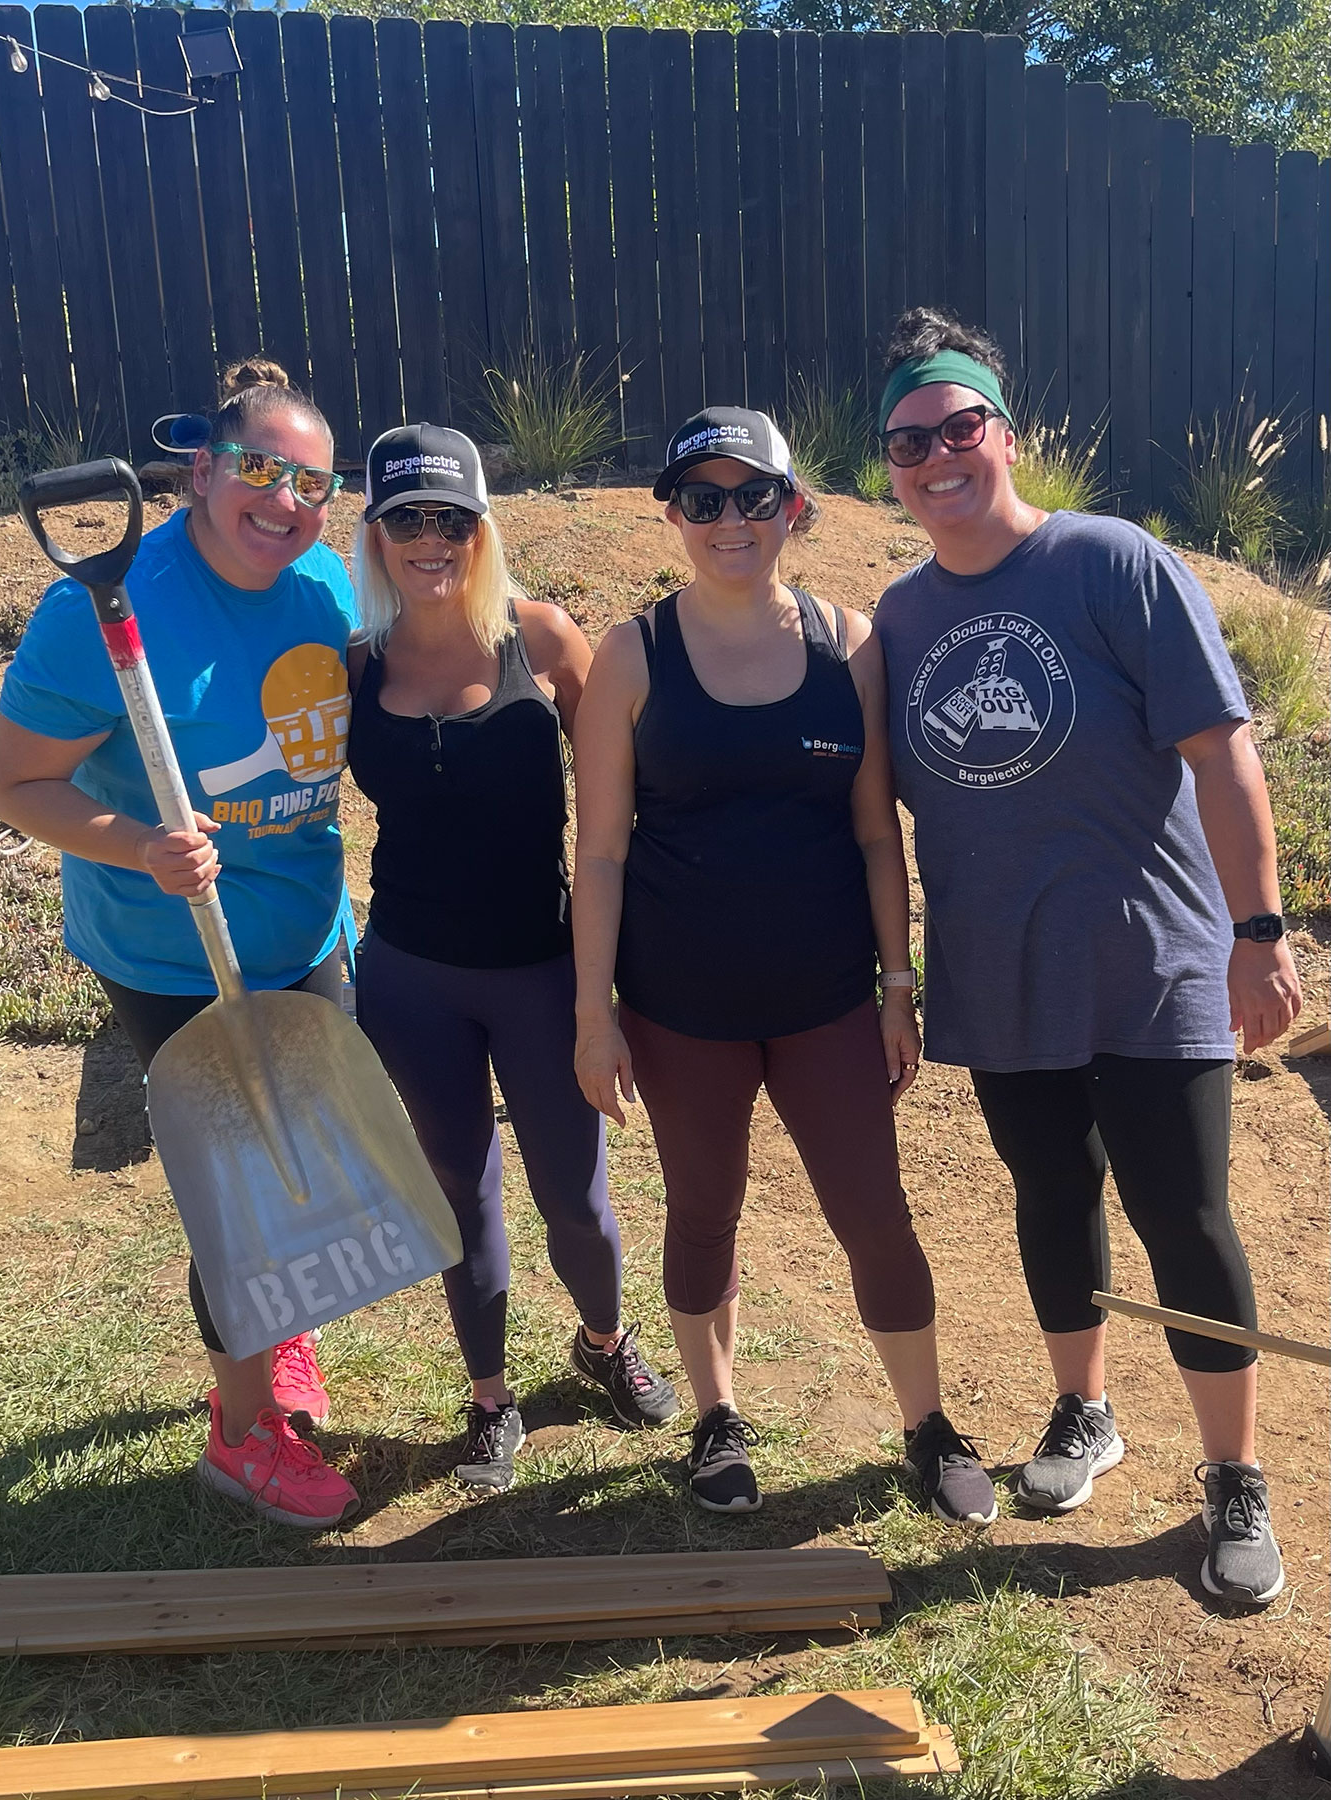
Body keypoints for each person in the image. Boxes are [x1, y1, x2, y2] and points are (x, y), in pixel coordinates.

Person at [872, 307, 1303, 1605]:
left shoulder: (1111, 560)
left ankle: (1234, 1477)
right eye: (907, 442)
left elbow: (1223, 751)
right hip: (1001, 973)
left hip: (1153, 963)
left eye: (958, 427)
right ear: (888, 468)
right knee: (1051, 1198)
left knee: (1184, 1215)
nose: (937, 457)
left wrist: (1258, 933)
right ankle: (1085, 1411)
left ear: (1003, 435)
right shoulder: (896, 620)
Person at [570, 407, 996, 1522]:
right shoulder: (632, 654)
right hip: (681, 1007)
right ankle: (716, 1418)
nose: (730, 519)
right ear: (672, 515)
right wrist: (592, 1014)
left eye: (753, 495)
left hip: (826, 1003)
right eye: (702, 498)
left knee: (874, 1212)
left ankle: (927, 1425)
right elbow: (600, 851)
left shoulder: (849, 645)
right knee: (703, 1211)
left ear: (792, 507)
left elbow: (875, 832)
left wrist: (896, 988)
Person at [0, 360, 364, 1531]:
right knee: (238, 1199)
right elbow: (13, 784)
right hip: (170, 950)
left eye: (312, 482)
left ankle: (278, 1327)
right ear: (201, 470)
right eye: (258, 469)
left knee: (300, 1167)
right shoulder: (100, 609)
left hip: (305, 928)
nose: (284, 501)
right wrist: (142, 844)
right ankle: (241, 1436)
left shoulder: (326, 586)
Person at [345, 423, 678, 1493]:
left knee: (575, 1197)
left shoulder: (543, 642)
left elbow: (625, 809)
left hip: (540, 971)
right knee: (457, 1189)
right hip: (410, 977)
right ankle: (489, 1398)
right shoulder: (357, 662)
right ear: (376, 534)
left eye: (451, 518)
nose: (429, 538)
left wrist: (613, 982)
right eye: (406, 518)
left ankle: (604, 1342)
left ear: (482, 529)